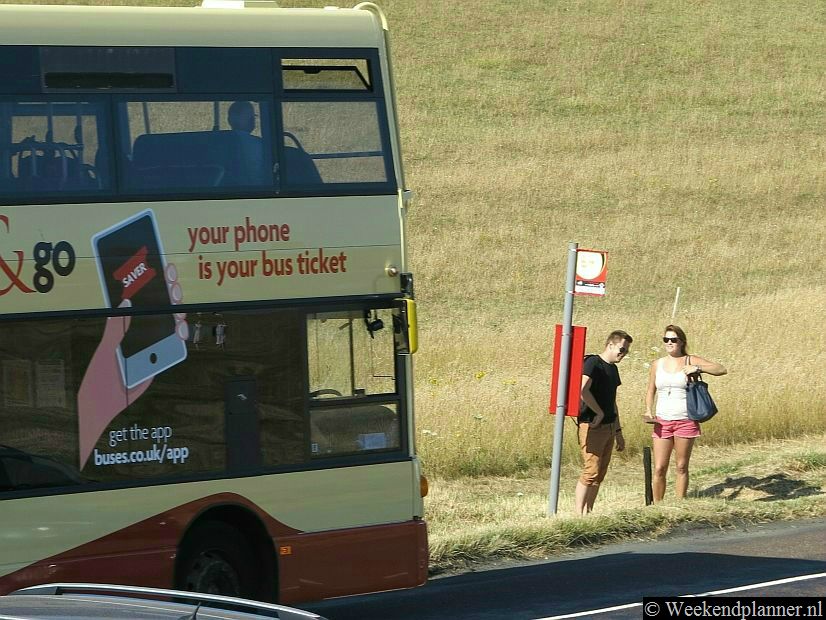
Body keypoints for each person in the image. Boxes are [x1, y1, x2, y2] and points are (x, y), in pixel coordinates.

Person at [643, 325, 726, 501]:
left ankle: (680, 503)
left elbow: (721, 369)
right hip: (662, 421)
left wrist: (698, 368)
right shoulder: (657, 364)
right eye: (666, 339)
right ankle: (658, 505)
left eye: (673, 340)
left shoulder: (690, 360)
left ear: (681, 342)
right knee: (659, 467)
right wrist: (648, 410)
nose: (670, 343)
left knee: (681, 466)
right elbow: (651, 390)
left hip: (685, 420)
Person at [575, 330, 632, 515]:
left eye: (626, 351)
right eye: (621, 349)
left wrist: (618, 431)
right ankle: (578, 515)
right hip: (592, 425)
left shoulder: (613, 369)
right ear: (610, 345)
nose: (623, 354)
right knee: (591, 470)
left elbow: (612, 401)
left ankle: (588, 512)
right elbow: (582, 389)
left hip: (608, 426)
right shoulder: (593, 363)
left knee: (600, 474)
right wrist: (598, 412)